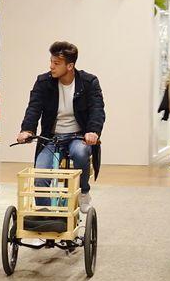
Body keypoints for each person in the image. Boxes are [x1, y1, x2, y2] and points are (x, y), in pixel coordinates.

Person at [16, 41, 105, 213]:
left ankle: (83, 191)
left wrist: (93, 131)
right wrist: (27, 130)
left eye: (56, 63)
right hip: (51, 137)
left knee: (80, 154)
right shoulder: (43, 82)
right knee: (40, 175)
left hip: (78, 136)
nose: (51, 67)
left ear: (70, 65)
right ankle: (45, 214)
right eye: (51, 62)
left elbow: (97, 109)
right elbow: (34, 107)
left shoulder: (89, 82)